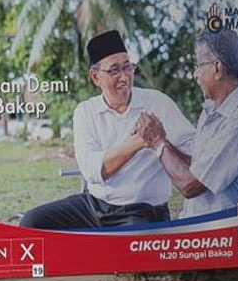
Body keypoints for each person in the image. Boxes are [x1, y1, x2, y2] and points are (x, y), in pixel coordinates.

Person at [20, 30, 196, 229]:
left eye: (127, 67)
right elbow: (93, 171)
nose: (124, 77)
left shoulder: (158, 103)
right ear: (96, 77)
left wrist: (162, 143)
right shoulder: (86, 111)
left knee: (123, 249)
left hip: (142, 210)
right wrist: (140, 140)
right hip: (94, 205)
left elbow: (194, 152)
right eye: (114, 70)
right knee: (32, 222)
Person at [135, 28, 238, 218]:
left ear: (217, 68)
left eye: (199, 65)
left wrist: (158, 143)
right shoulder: (212, 111)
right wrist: (163, 140)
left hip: (222, 237)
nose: (195, 74)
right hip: (198, 231)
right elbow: (200, 167)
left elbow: (191, 185)